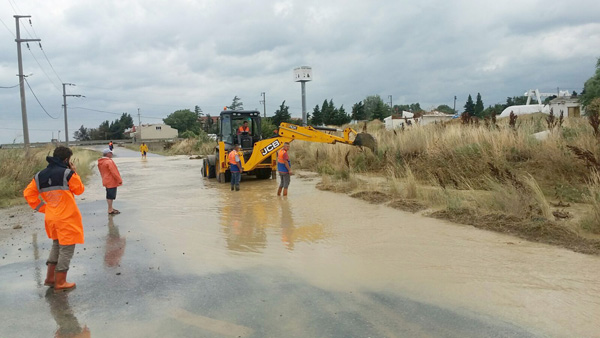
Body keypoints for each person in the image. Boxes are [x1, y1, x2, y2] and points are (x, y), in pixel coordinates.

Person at [23, 146, 85, 292]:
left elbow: (28, 194)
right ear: (66, 160)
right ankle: (60, 282)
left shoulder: (39, 175)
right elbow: (79, 190)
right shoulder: (68, 174)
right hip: (67, 218)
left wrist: (43, 208)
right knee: (66, 248)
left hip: (51, 217)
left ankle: (50, 278)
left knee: (57, 245)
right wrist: (74, 172)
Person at [98, 148, 123, 215]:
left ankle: (110, 207)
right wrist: (119, 180)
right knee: (111, 196)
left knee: (109, 194)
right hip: (111, 180)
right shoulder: (109, 162)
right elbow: (114, 172)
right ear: (108, 154)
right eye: (111, 153)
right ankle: (110, 209)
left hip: (105, 179)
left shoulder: (101, 162)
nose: (112, 154)